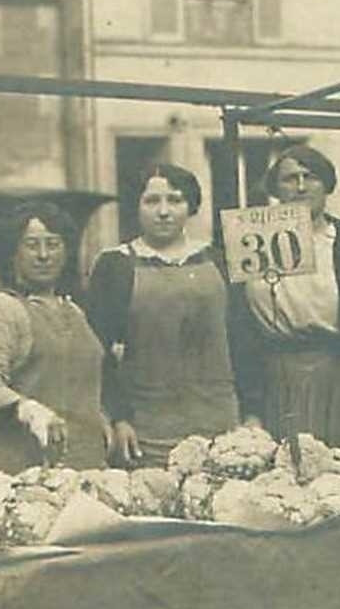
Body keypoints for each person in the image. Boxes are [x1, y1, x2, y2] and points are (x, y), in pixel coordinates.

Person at [234, 144, 340, 453]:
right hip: (274, 379)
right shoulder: (250, 241)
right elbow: (240, 329)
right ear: (275, 188)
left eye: (311, 177)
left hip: (338, 376)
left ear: (327, 184)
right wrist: (250, 408)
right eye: (289, 178)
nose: (300, 186)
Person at [85, 163, 247, 464]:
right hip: (147, 427)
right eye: (151, 201)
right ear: (136, 206)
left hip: (222, 422)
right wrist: (118, 418)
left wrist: (252, 414)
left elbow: (244, 341)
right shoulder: (115, 266)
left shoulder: (220, 261)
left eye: (175, 200)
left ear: (191, 206)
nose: (163, 211)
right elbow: (98, 352)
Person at [0, 201, 108, 472]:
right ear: (13, 253)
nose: (43, 255)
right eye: (32, 245)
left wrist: (104, 420)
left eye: (53, 244)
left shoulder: (75, 311)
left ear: (66, 251)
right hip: (20, 469)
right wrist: (29, 410)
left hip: (83, 465)